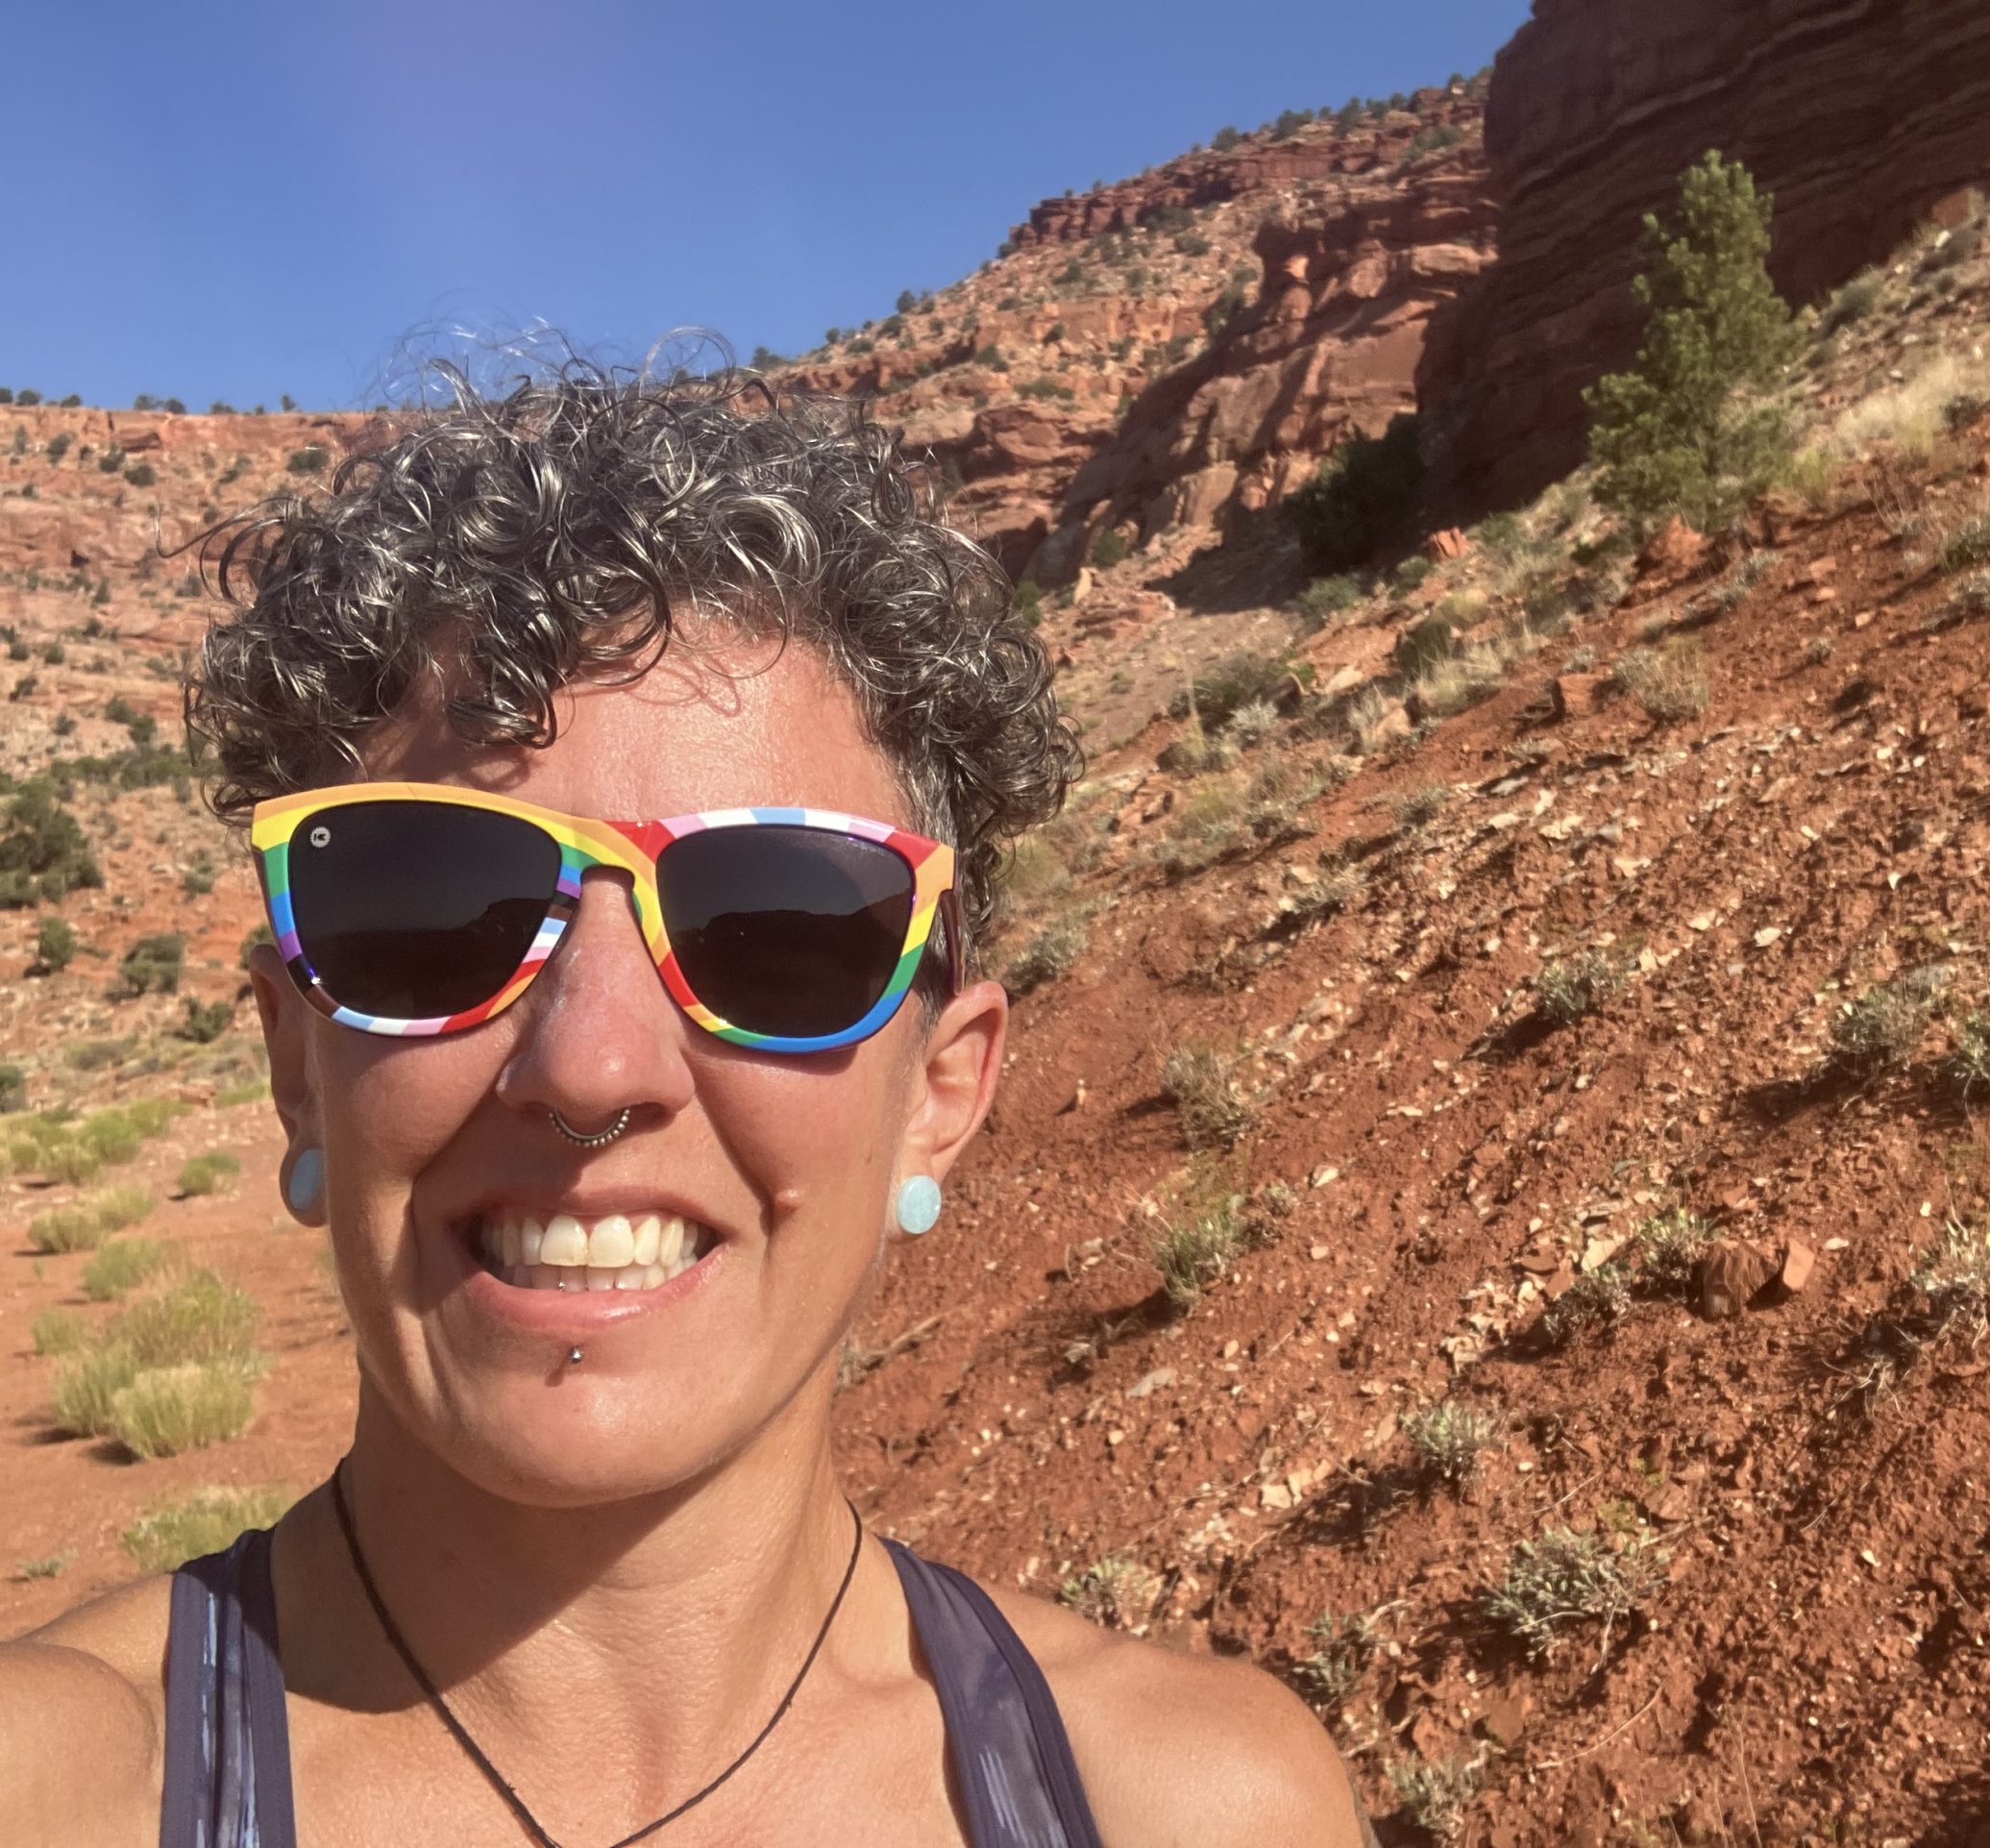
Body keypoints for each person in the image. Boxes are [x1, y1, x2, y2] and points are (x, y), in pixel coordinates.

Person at [0, 359, 1368, 1846]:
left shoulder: (1197, 1809)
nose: (592, 1068)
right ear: (294, 1070)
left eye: (776, 928)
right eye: (438, 909)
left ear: (943, 1091)